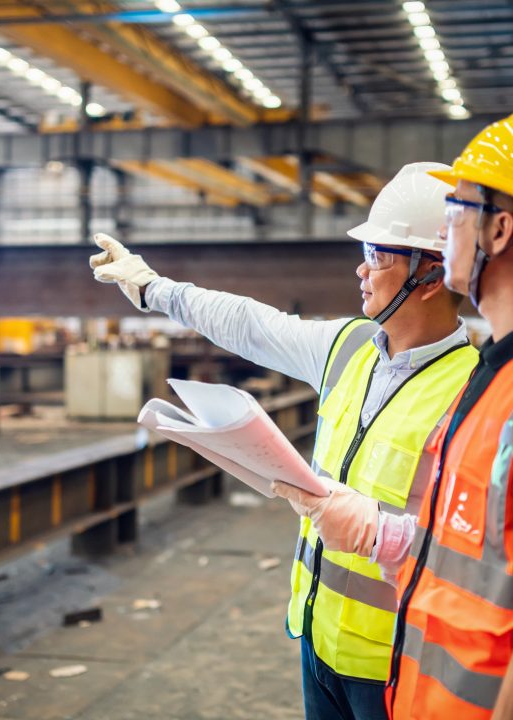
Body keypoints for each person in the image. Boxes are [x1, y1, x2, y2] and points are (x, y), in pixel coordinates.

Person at [90, 162, 479, 720]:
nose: (361, 271)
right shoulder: (347, 348)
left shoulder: (475, 393)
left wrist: (380, 532)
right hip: (317, 638)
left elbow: (481, 550)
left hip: (399, 664)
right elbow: (251, 324)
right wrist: (153, 288)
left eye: (378, 255)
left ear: (432, 276)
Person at [274, 117, 513, 720]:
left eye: (458, 209)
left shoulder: (486, 391)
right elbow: (470, 552)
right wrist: (386, 535)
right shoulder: (491, 382)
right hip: (414, 682)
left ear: (498, 229)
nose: (448, 226)